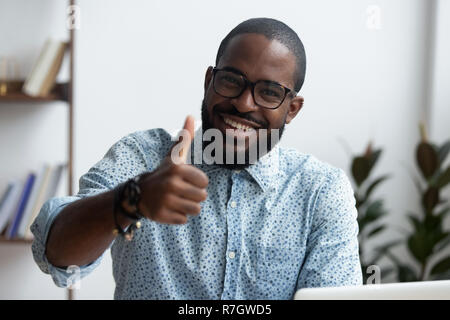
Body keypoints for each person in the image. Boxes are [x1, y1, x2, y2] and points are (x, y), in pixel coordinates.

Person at [31, 17, 362, 300]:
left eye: (269, 92)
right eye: (232, 80)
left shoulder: (320, 191)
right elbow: (57, 257)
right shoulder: (143, 156)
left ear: (292, 109)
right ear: (209, 82)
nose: (245, 104)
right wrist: (132, 200)